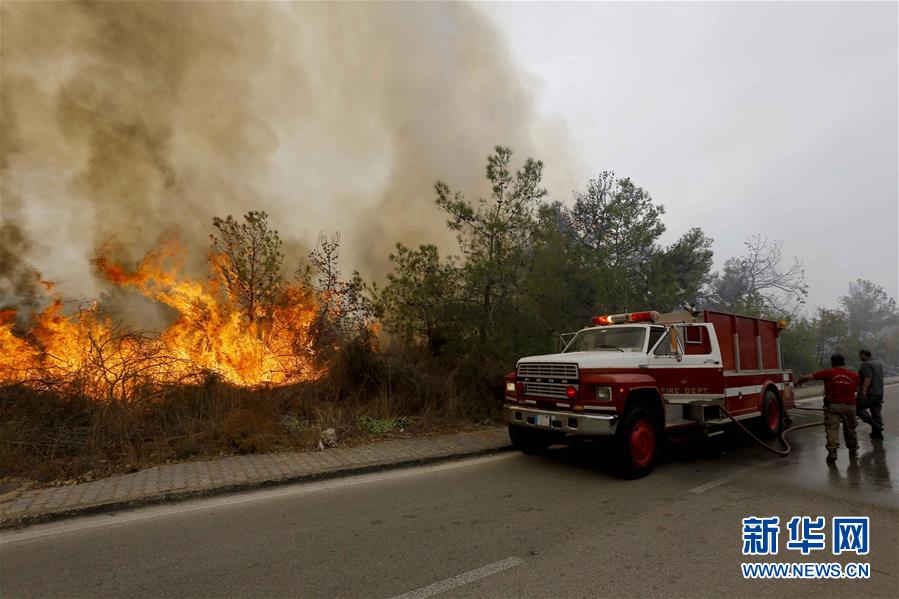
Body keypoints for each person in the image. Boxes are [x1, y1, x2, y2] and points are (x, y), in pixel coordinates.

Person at [796, 354, 859, 463]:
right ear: (844, 362)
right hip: (850, 407)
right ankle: (853, 450)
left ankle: (833, 451)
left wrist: (798, 382)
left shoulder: (828, 372)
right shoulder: (854, 375)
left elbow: (808, 377)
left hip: (833, 406)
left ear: (832, 362)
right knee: (850, 429)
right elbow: (859, 388)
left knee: (832, 428)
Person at [857, 349, 885, 439]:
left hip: (870, 392)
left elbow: (868, 377)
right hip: (879, 392)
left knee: (859, 409)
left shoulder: (866, 364)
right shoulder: (879, 364)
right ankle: (877, 434)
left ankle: (875, 426)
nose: (859, 357)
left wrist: (864, 390)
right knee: (876, 412)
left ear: (864, 354)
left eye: (860, 355)